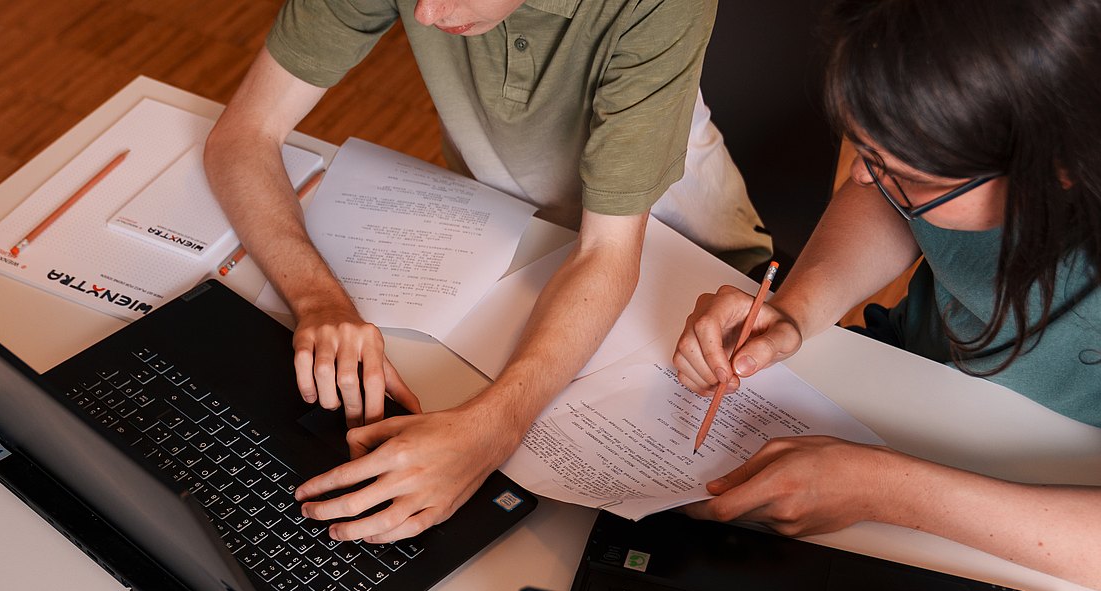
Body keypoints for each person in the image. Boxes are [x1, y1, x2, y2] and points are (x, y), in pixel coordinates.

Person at [205, 0, 769, 543]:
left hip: (676, 263)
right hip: (510, 236)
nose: (423, 14)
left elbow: (607, 253)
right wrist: (318, 300)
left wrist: (494, 431)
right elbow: (243, 134)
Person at [673, 0, 1101, 591]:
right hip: (911, 382)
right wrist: (797, 309)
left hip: (1068, 511)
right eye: (866, 151)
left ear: (1061, 166)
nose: (862, 179)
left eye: (909, 176)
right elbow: (886, 199)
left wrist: (885, 490)